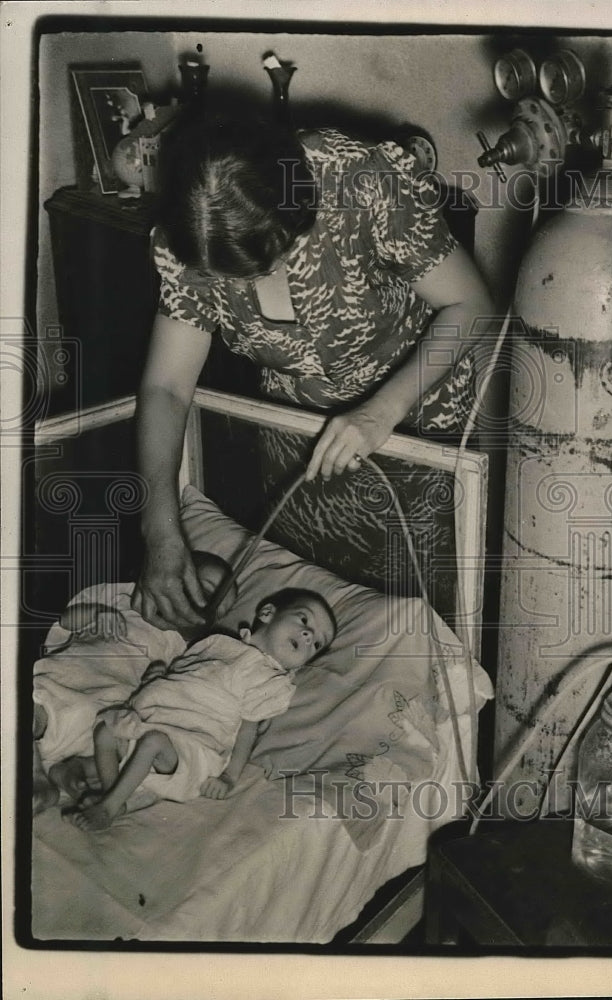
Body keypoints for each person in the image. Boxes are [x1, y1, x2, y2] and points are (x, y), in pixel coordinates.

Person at [132, 113, 497, 632]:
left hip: (417, 422)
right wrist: (160, 532)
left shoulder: (357, 179)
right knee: (310, 605)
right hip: (300, 440)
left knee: (416, 619)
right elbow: (166, 388)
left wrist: (380, 413)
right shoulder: (189, 234)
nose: (246, 288)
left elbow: (473, 305)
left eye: (265, 266)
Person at [66, 588, 336, 832]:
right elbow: (185, 676)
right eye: (304, 620)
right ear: (267, 613)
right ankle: (112, 791)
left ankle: (108, 808)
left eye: (317, 643)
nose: (308, 635)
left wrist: (229, 778)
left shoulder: (272, 682)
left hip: (193, 745)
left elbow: (247, 733)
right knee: (105, 731)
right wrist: (157, 677)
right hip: (155, 717)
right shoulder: (218, 643)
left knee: (153, 742)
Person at [32, 550, 238, 815]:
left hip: (103, 715)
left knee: (116, 759)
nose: (208, 607)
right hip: (64, 684)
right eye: (206, 590)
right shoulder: (123, 600)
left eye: (218, 609)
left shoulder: (187, 650)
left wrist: (161, 678)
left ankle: (65, 775)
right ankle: (38, 776)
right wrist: (95, 615)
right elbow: (64, 622)